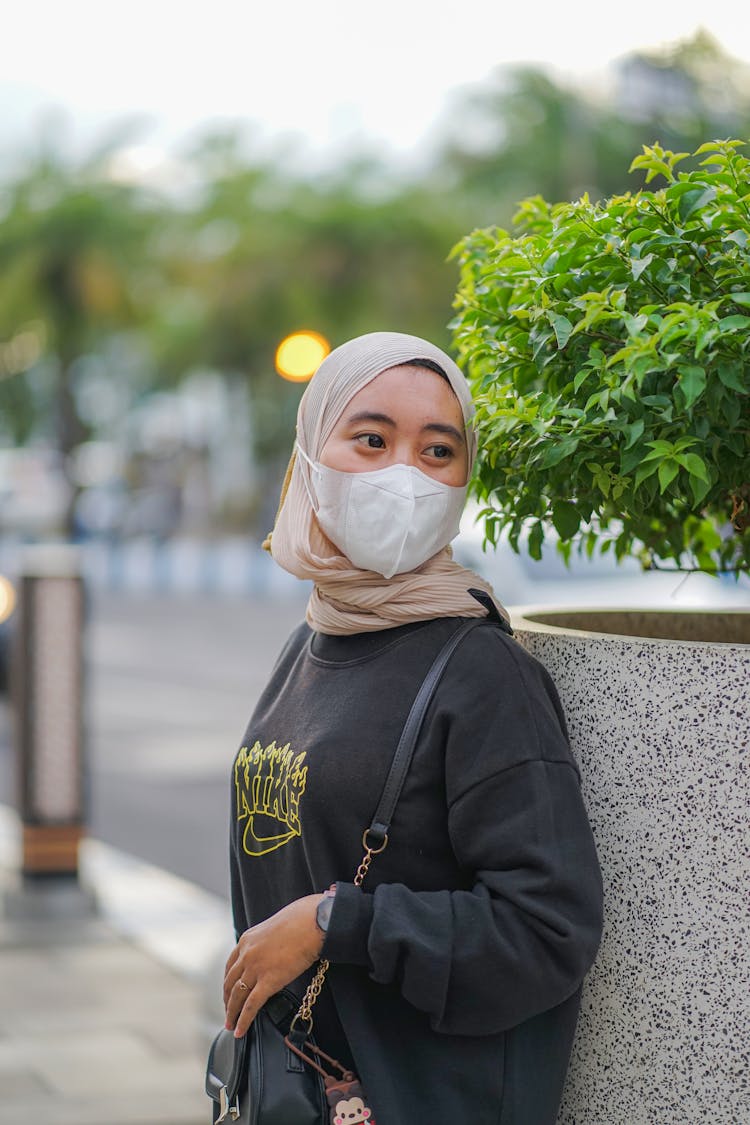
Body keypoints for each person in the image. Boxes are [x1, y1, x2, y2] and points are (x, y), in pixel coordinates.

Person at [222, 331, 603, 1124]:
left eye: (439, 450)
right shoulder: (318, 636)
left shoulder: (484, 674)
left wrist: (337, 922)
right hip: (299, 1091)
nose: (405, 473)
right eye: (371, 438)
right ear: (311, 448)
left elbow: (547, 929)